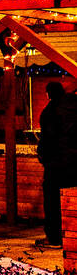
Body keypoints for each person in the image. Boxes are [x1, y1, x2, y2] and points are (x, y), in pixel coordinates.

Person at [37, 81, 77, 247]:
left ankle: (54, 238)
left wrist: (43, 156)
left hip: (56, 163)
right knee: (73, 201)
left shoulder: (50, 112)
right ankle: (72, 236)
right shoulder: (74, 107)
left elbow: (48, 139)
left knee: (53, 200)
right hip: (75, 162)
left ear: (48, 94)